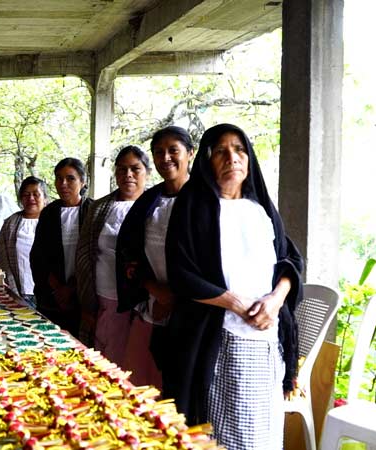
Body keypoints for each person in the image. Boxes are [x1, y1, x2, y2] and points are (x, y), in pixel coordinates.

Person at [164, 124, 303, 448]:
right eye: (221, 151)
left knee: (264, 435)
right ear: (207, 161)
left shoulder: (261, 208)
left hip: (268, 338)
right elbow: (181, 271)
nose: (232, 157)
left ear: (249, 158)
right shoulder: (193, 206)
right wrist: (236, 303)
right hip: (220, 338)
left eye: (239, 149)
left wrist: (275, 300)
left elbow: (290, 261)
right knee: (227, 436)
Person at [114, 126, 195, 388]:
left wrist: (175, 297)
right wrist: (153, 289)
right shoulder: (149, 201)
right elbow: (130, 250)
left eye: (174, 150)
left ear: (190, 154)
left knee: (178, 387)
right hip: (151, 302)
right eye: (159, 152)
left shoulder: (204, 199)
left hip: (193, 308)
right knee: (138, 382)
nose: (166, 158)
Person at [75, 146, 150, 361]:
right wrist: (87, 302)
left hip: (146, 301)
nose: (128, 174)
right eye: (122, 169)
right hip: (107, 296)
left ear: (147, 172)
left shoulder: (155, 206)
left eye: (135, 169)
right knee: (108, 358)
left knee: (139, 361)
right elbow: (84, 255)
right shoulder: (99, 209)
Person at [30, 158, 93, 337]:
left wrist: (71, 288)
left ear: (83, 182)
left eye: (70, 178)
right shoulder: (49, 213)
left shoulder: (92, 211)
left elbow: (95, 256)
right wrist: (58, 289)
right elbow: (39, 256)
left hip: (83, 293)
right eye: (59, 178)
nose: (63, 184)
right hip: (52, 294)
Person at [0, 177, 48, 307]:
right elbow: (1, 258)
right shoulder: (10, 223)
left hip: (49, 292)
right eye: (26, 194)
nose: (31, 198)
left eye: (36, 194)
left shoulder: (53, 221)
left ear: (45, 198)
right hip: (20, 289)